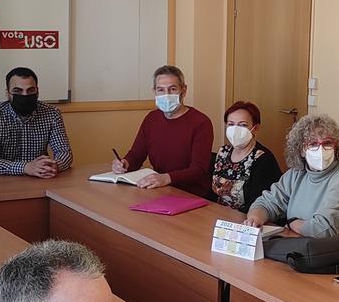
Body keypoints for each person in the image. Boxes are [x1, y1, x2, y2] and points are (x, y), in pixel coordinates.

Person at [244, 113, 339, 238]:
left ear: (336, 147)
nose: (321, 149)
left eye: (327, 143)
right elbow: (268, 202)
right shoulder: (296, 174)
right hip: (301, 247)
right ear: (301, 150)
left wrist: (292, 223)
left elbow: (322, 230)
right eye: (313, 143)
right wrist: (254, 218)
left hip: (335, 253)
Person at [111, 65, 214, 198]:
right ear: (154, 92)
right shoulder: (151, 119)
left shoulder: (201, 122)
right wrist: (125, 163)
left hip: (191, 194)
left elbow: (199, 170)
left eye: (172, 89)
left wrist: (166, 178)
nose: (167, 95)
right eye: (161, 90)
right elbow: (136, 155)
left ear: (183, 90)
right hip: (160, 190)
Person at [0, 67, 73, 177]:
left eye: (30, 90)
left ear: (37, 91)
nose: (24, 95)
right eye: (17, 91)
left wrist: (54, 166)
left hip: (41, 177)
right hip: (4, 180)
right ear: (7, 93)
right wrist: (25, 167)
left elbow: (64, 152)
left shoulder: (52, 113)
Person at [211, 101, 282, 213]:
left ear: (256, 128)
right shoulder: (223, 152)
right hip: (218, 214)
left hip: (247, 219)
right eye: (231, 124)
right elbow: (213, 193)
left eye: (243, 125)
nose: (235, 129)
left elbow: (259, 203)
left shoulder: (262, 159)